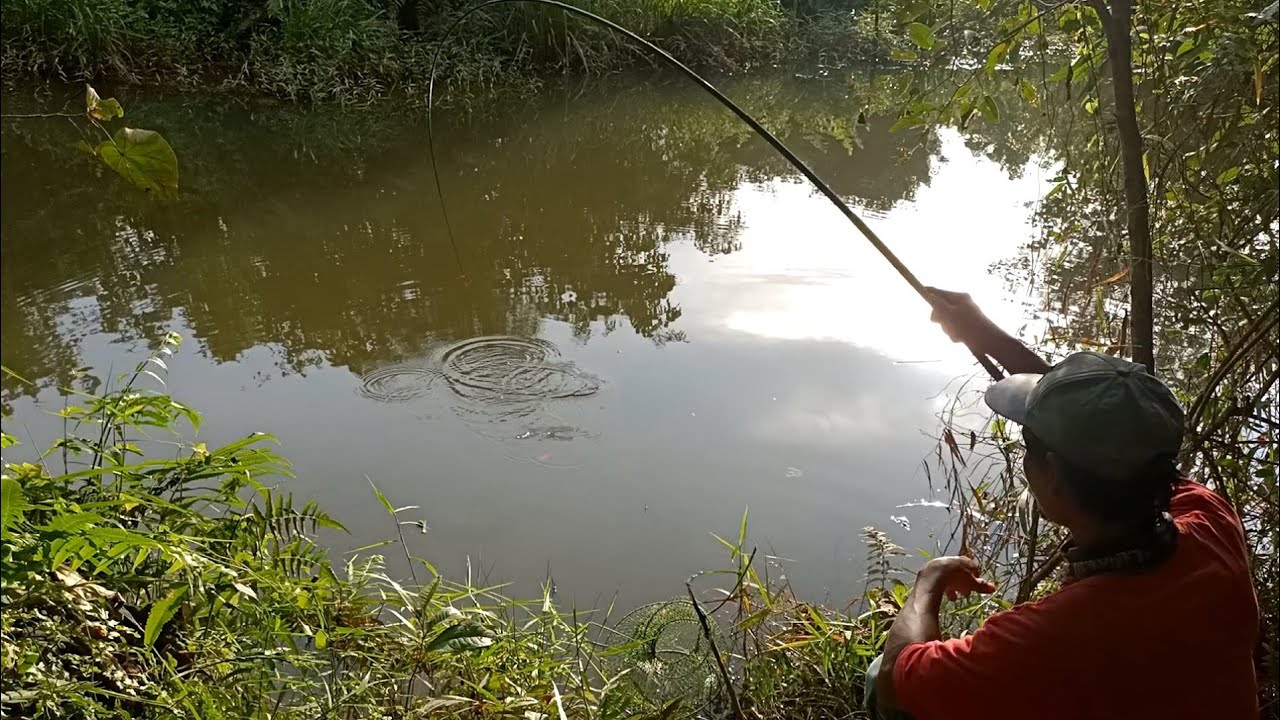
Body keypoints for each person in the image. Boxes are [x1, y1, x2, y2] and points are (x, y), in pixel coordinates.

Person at [865, 288, 1260, 720]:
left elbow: (896, 681)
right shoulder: (1212, 522)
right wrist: (986, 335)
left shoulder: (1055, 635)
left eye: (1027, 445)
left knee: (878, 681)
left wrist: (929, 579)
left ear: (1052, 473)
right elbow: (1112, 428)